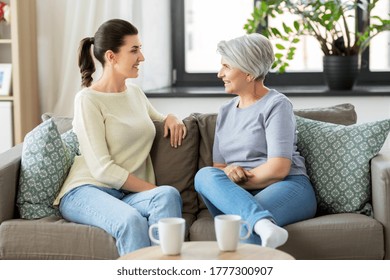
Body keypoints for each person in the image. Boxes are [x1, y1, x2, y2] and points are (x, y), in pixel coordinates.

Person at [53, 19, 186, 256]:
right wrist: (149, 189)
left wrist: (172, 117)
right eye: (134, 50)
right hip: (87, 191)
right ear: (111, 57)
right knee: (131, 221)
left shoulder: (134, 92)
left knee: (168, 194)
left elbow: (158, 117)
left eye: (140, 49)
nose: (141, 57)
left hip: (125, 195)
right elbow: (102, 169)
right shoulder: (87, 100)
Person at [194, 33, 317, 248]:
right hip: (239, 193)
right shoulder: (225, 111)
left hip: (288, 186)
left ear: (249, 73)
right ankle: (262, 223)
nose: (219, 73)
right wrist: (230, 172)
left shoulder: (277, 105)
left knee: (241, 225)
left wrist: (236, 181)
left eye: (226, 66)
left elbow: (279, 168)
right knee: (204, 175)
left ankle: (256, 222)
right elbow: (219, 168)